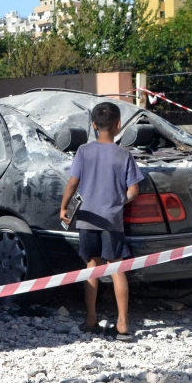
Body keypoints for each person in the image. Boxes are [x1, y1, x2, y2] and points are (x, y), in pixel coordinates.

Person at [59, 101, 144, 341]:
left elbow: (73, 182)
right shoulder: (124, 154)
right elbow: (134, 191)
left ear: (94, 125)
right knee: (117, 268)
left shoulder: (84, 151)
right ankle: (123, 324)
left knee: (92, 266)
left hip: (87, 218)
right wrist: (118, 203)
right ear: (118, 126)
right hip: (112, 220)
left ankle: (90, 319)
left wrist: (64, 206)